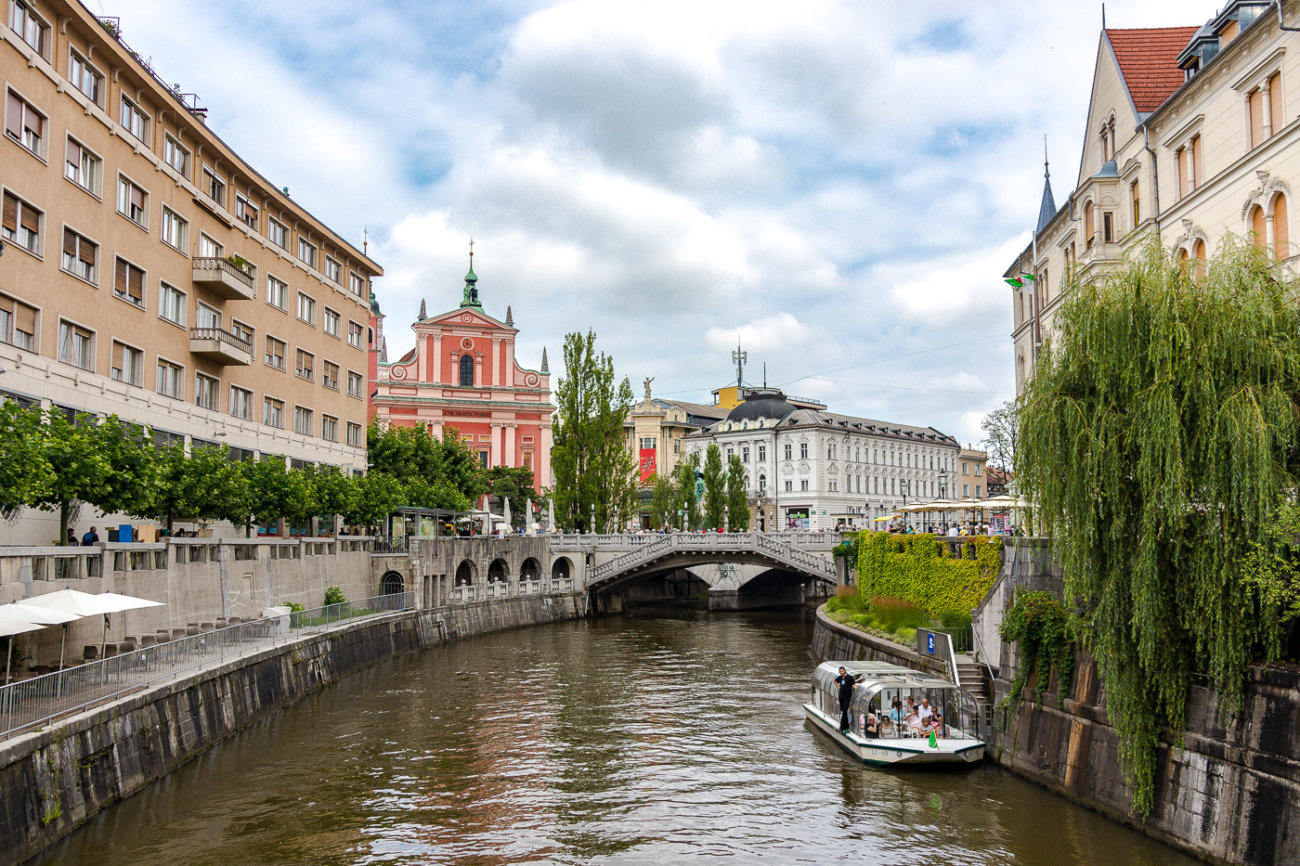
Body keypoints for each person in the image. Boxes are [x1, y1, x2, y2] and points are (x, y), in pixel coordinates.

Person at [833, 666, 858, 733]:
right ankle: (846, 725)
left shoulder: (850, 678)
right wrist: (838, 686)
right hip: (841, 696)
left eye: (842, 671)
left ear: (845, 671)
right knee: (843, 711)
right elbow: (835, 681)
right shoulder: (840, 678)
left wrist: (858, 690)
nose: (841, 672)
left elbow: (853, 685)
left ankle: (841, 727)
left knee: (844, 711)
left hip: (847, 697)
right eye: (840, 671)